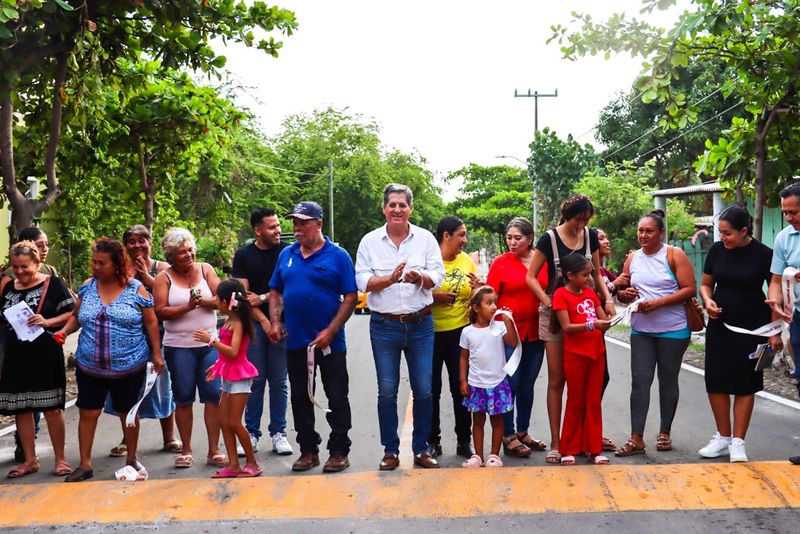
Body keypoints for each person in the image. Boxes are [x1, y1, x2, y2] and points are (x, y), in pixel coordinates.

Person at [55, 238, 163, 482]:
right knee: (88, 412)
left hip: (129, 364)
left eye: (101, 263)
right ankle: (84, 464)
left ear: (116, 264)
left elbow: (151, 321)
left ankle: (131, 459)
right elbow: (76, 316)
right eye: (93, 262)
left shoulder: (136, 289)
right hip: (89, 364)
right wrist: (64, 331)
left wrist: (156, 353)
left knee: (128, 413)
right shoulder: (87, 287)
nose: (95, 266)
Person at [355, 183, 445, 470]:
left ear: (410, 209)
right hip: (384, 325)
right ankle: (390, 451)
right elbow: (363, 282)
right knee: (387, 390)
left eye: (402, 205)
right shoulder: (369, 241)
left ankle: (421, 449)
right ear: (384, 209)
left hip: (421, 324)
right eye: (392, 204)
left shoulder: (426, 239)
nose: (397, 209)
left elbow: (438, 275)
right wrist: (391, 279)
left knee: (424, 389)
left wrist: (420, 277)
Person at [525, 195, 615, 464]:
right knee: (558, 379)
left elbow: (597, 273)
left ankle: (587, 438)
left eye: (587, 220)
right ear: (568, 216)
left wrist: (607, 301)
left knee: (595, 377)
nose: (582, 225)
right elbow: (531, 276)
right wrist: (549, 302)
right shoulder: (548, 239)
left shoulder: (589, 236)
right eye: (579, 219)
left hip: (585, 311)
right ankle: (557, 442)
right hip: (556, 316)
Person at [269, 201, 357, 473]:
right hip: (296, 341)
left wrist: (330, 331)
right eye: (294, 222)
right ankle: (308, 449)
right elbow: (275, 290)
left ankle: (339, 450)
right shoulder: (287, 254)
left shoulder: (338, 255)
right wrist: (275, 322)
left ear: (318, 224)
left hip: (330, 342)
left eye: (302, 222)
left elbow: (351, 297)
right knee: (300, 397)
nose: (296, 228)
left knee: (336, 396)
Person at [614, 209, 695, 456]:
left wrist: (658, 303)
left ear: (661, 233)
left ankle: (664, 433)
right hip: (642, 330)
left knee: (667, 380)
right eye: (640, 230)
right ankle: (636, 437)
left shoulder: (674, 255)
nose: (643, 235)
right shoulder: (633, 258)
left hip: (673, 330)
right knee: (640, 382)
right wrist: (622, 294)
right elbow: (624, 285)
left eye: (649, 231)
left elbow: (689, 289)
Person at [699, 205, 773, 463]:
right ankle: (722, 437)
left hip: (753, 328)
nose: (723, 238)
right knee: (716, 380)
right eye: (720, 232)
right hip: (720, 326)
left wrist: (775, 332)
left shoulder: (764, 254)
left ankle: (738, 442)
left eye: (728, 233)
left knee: (745, 384)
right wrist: (707, 301)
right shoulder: (718, 251)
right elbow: (706, 284)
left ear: (744, 231)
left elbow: (774, 292)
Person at [0, 241, 74, 478]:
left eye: (25, 267)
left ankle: (60, 459)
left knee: (51, 408)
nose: (20, 272)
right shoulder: (9, 287)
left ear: (37, 262)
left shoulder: (52, 284)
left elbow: (73, 312)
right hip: (16, 354)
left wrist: (48, 321)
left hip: (44, 353)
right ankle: (30, 460)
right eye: (15, 267)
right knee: (22, 409)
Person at [153, 228, 225, 469]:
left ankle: (214, 450)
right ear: (171, 256)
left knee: (213, 395)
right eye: (182, 252)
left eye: (190, 249)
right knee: (183, 397)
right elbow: (160, 311)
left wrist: (202, 302)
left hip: (209, 345)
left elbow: (222, 299)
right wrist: (187, 307)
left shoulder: (206, 269)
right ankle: (186, 449)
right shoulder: (164, 278)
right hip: (178, 346)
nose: (188, 255)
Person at [105, 225, 179, 458]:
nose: (137, 246)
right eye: (131, 242)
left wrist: (148, 279)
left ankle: (169, 437)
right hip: (126, 338)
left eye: (142, 241)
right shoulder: (119, 271)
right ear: (125, 245)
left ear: (150, 243)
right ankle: (128, 439)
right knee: (126, 389)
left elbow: (171, 298)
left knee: (162, 385)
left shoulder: (163, 268)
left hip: (160, 335)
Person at [231, 208, 292, 457]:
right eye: (272, 227)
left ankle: (279, 433)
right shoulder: (243, 255)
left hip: (284, 323)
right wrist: (266, 323)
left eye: (278, 226)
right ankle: (252, 433)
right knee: (255, 381)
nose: (278, 231)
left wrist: (265, 298)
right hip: (255, 326)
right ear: (258, 230)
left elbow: (291, 288)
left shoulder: (287, 252)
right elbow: (243, 298)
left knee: (278, 382)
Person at [485, 217, 547, 458]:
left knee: (528, 384)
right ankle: (508, 435)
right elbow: (491, 297)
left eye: (517, 238)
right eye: (509, 237)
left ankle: (523, 431)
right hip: (509, 335)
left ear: (530, 238)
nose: (512, 242)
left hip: (537, 332)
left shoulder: (542, 262)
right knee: (511, 384)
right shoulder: (501, 263)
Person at [193, 279, 261, 478]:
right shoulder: (229, 321)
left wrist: (211, 340)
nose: (214, 301)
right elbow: (226, 356)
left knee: (234, 422)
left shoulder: (238, 323)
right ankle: (233, 465)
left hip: (240, 376)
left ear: (226, 301)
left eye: (216, 298)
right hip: (228, 375)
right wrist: (217, 366)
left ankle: (252, 463)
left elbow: (233, 352)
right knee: (223, 420)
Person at [552, 254, 611, 465]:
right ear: (570, 275)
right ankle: (568, 447)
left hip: (597, 352)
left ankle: (594, 448)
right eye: (585, 274)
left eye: (589, 274)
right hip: (576, 355)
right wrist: (592, 325)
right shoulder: (560, 295)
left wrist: (615, 318)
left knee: (594, 401)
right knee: (575, 400)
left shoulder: (590, 293)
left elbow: (603, 318)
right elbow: (567, 327)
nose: (589, 278)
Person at [427, 216, 477, 459]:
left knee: (461, 388)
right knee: (431, 389)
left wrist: (477, 289)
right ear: (446, 236)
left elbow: (474, 293)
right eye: (461, 235)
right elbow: (414, 292)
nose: (465, 240)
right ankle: (432, 441)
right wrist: (435, 298)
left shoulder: (466, 260)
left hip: (460, 334)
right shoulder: (429, 260)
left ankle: (463, 440)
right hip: (430, 334)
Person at [458, 286, 518, 468]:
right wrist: (462, 380)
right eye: (488, 303)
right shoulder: (468, 332)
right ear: (476, 308)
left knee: (497, 420)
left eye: (495, 303)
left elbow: (513, 343)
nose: (494, 307)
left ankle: (494, 455)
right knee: (477, 421)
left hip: (498, 383)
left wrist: (508, 322)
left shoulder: (499, 327)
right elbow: (463, 357)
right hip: (476, 383)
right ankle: (478, 456)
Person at [765, 183, 800, 466]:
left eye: (795, 212)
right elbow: (776, 280)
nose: (789, 218)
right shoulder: (784, 238)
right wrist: (775, 307)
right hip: (796, 317)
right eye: (786, 213)